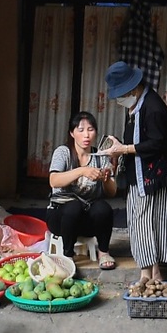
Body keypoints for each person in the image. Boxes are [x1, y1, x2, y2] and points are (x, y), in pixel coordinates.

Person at [101, 60, 167, 287]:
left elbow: (155, 143)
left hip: (152, 176)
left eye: (122, 94)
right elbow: (136, 137)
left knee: (144, 222)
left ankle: (146, 275)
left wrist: (123, 149)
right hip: (147, 174)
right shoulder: (138, 104)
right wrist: (119, 145)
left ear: (133, 89)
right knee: (151, 222)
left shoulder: (152, 108)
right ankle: (156, 274)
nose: (120, 100)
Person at [47, 110, 118, 270]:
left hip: (86, 220)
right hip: (60, 218)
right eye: (81, 130)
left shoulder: (100, 156)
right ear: (72, 133)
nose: (86, 135)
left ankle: (103, 252)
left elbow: (112, 192)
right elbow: (54, 180)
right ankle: (67, 255)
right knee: (73, 206)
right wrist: (82, 171)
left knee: (103, 208)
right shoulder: (63, 152)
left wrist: (106, 179)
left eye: (90, 129)